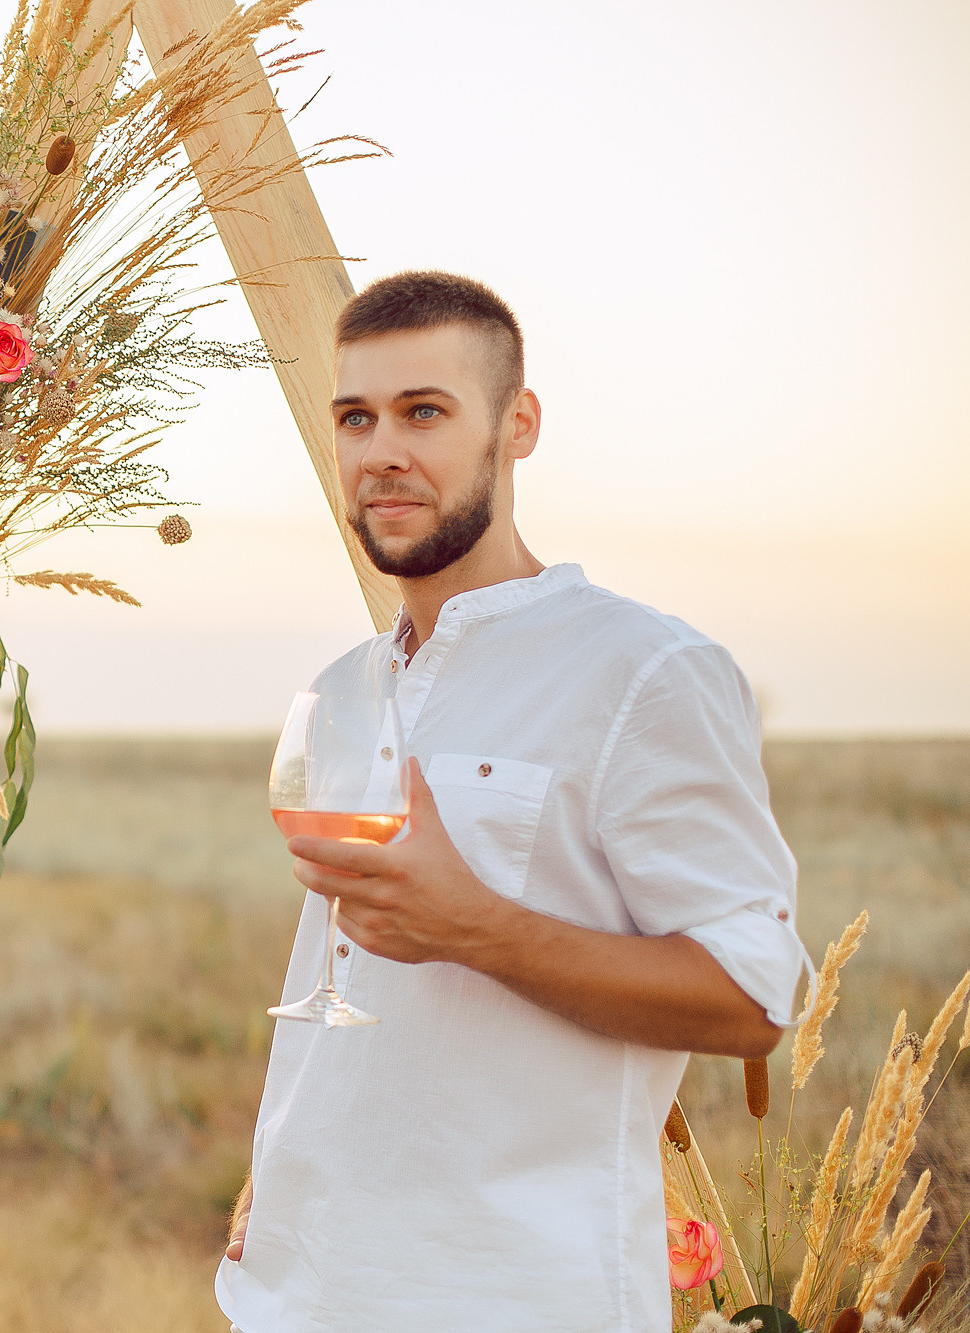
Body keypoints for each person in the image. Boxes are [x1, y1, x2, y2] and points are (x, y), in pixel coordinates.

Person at [215, 271, 810, 1331]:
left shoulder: (641, 669)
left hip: (511, 1298)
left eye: (423, 413)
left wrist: (476, 927)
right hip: (293, 1292)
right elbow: (340, 975)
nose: (380, 451)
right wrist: (289, 1160)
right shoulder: (346, 686)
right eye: (354, 418)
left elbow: (755, 1001)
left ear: (516, 425)